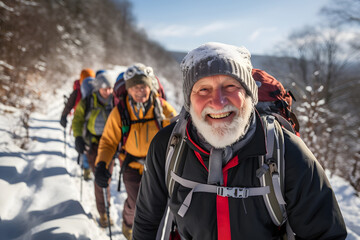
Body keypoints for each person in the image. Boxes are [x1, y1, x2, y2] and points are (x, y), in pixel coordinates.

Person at [132, 42, 347, 240]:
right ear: (189, 100)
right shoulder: (166, 146)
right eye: (203, 89)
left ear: (249, 94)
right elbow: (147, 222)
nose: (218, 102)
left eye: (230, 86)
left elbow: (325, 235)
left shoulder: (287, 152)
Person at [94, 63, 177, 239]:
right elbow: (108, 141)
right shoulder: (120, 112)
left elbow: (178, 135)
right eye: (135, 87)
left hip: (157, 166)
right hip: (131, 165)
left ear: (151, 86)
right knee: (137, 201)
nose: (140, 91)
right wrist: (101, 164)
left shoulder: (162, 109)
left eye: (144, 86)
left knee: (157, 204)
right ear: (128, 90)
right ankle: (128, 223)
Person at [72, 71, 116, 228]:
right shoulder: (88, 102)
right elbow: (77, 120)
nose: (108, 92)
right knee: (100, 179)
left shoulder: (116, 103)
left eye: (110, 88)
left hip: (110, 145)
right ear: (98, 88)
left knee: (106, 179)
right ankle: (104, 213)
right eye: (105, 89)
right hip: (92, 145)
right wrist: (78, 137)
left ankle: (105, 209)